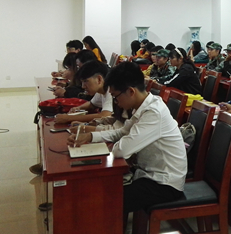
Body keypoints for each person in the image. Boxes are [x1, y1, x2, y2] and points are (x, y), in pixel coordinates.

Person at [67, 62, 187, 218]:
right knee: (103, 188)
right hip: (148, 173)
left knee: (107, 198)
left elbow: (121, 151)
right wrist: (90, 136)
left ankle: (110, 231)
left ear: (131, 91)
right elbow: (122, 132)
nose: (116, 102)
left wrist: (113, 143)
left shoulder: (153, 112)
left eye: (116, 97)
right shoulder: (143, 106)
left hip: (164, 183)